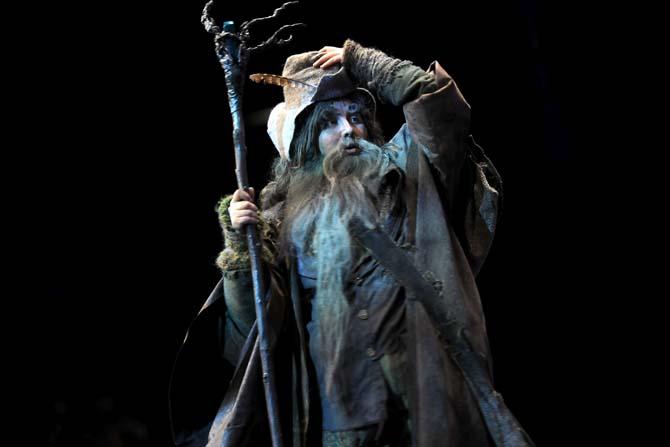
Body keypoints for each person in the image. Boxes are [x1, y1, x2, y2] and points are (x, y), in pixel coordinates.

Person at [169, 40, 532, 447]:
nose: (349, 131)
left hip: (430, 402)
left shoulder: (412, 174)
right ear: (301, 140)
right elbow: (252, 325)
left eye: (356, 116)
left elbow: (436, 102)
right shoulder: (278, 214)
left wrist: (365, 63)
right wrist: (240, 246)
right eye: (328, 122)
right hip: (339, 412)